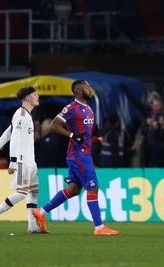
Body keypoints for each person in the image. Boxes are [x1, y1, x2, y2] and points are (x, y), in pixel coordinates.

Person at [32, 80, 119, 236]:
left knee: (73, 190)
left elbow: (86, 130)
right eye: (86, 86)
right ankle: (99, 227)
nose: (89, 88)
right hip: (79, 154)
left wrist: (96, 134)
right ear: (78, 91)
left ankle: (42, 212)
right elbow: (54, 125)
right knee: (93, 187)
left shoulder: (88, 109)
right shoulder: (72, 108)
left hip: (83, 153)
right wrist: (72, 135)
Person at [0, 87, 43, 234]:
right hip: (21, 161)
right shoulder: (21, 115)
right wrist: (13, 162)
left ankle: (32, 226)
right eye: (35, 94)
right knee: (22, 193)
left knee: (34, 192)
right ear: (27, 98)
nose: (37, 96)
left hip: (30, 161)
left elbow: (6, 134)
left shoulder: (25, 115)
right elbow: (13, 139)